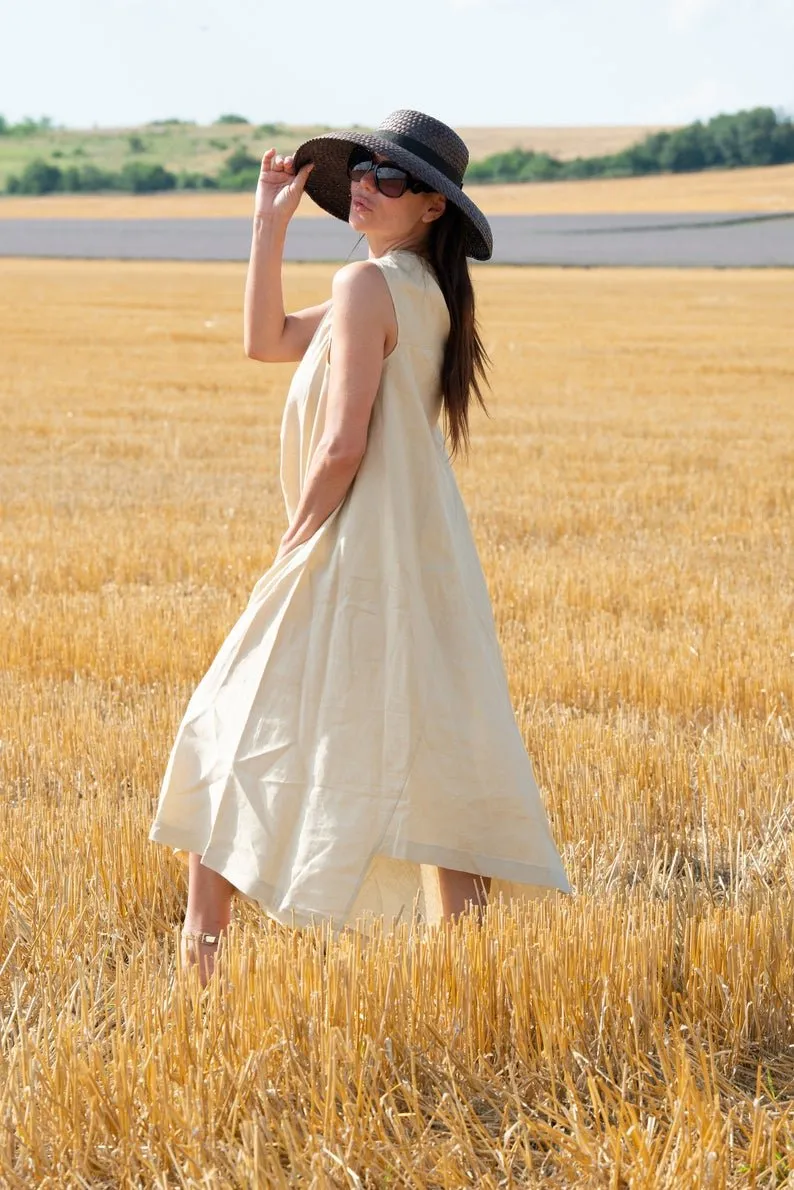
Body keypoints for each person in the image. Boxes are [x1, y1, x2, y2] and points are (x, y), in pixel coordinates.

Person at [148, 109, 572, 986]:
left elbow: (343, 446)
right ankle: (467, 982)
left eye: (389, 179)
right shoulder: (420, 293)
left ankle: (202, 955)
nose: (365, 188)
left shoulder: (365, 288)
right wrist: (269, 228)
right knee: (434, 747)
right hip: (420, 553)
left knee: (232, 722)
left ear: (432, 208)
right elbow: (265, 343)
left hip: (349, 542)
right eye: (363, 173)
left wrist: (292, 544)